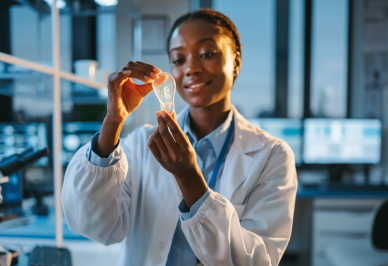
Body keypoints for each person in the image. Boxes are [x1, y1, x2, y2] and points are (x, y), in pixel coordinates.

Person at [61, 9, 297, 266]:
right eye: (178, 59)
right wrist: (113, 122)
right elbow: (92, 224)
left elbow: (257, 260)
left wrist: (189, 178)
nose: (191, 68)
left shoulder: (272, 155)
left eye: (207, 54)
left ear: (236, 61)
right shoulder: (141, 144)